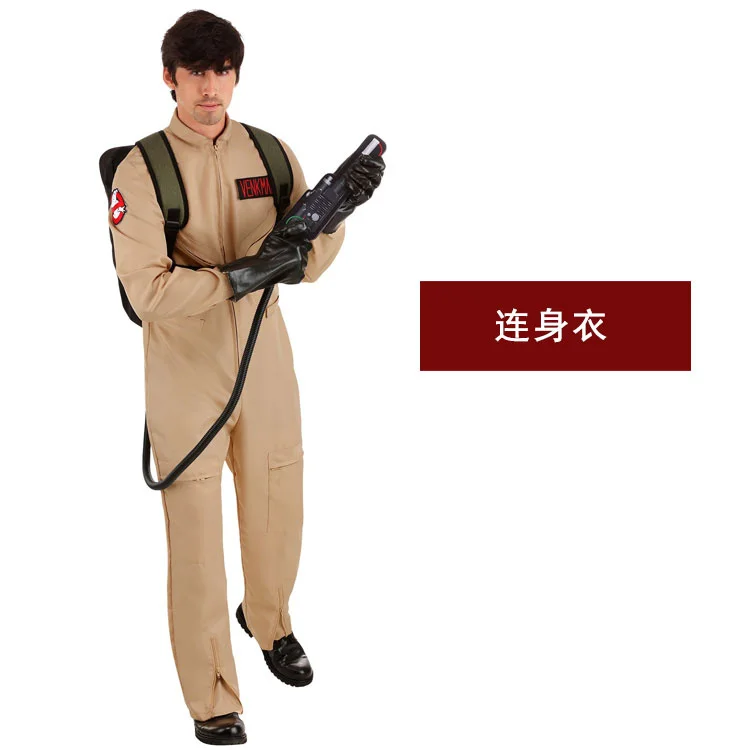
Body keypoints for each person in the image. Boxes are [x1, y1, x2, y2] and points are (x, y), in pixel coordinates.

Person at [108, 10, 385, 745]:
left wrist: (338, 210)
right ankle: (212, 695)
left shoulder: (269, 151)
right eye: (195, 73)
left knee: (277, 500)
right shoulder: (142, 170)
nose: (210, 88)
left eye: (222, 72)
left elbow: (309, 258)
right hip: (185, 369)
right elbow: (147, 291)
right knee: (197, 539)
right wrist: (235, 278)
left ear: (237, 76)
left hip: (266, 355)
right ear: (169, 78)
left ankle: (270, 621)